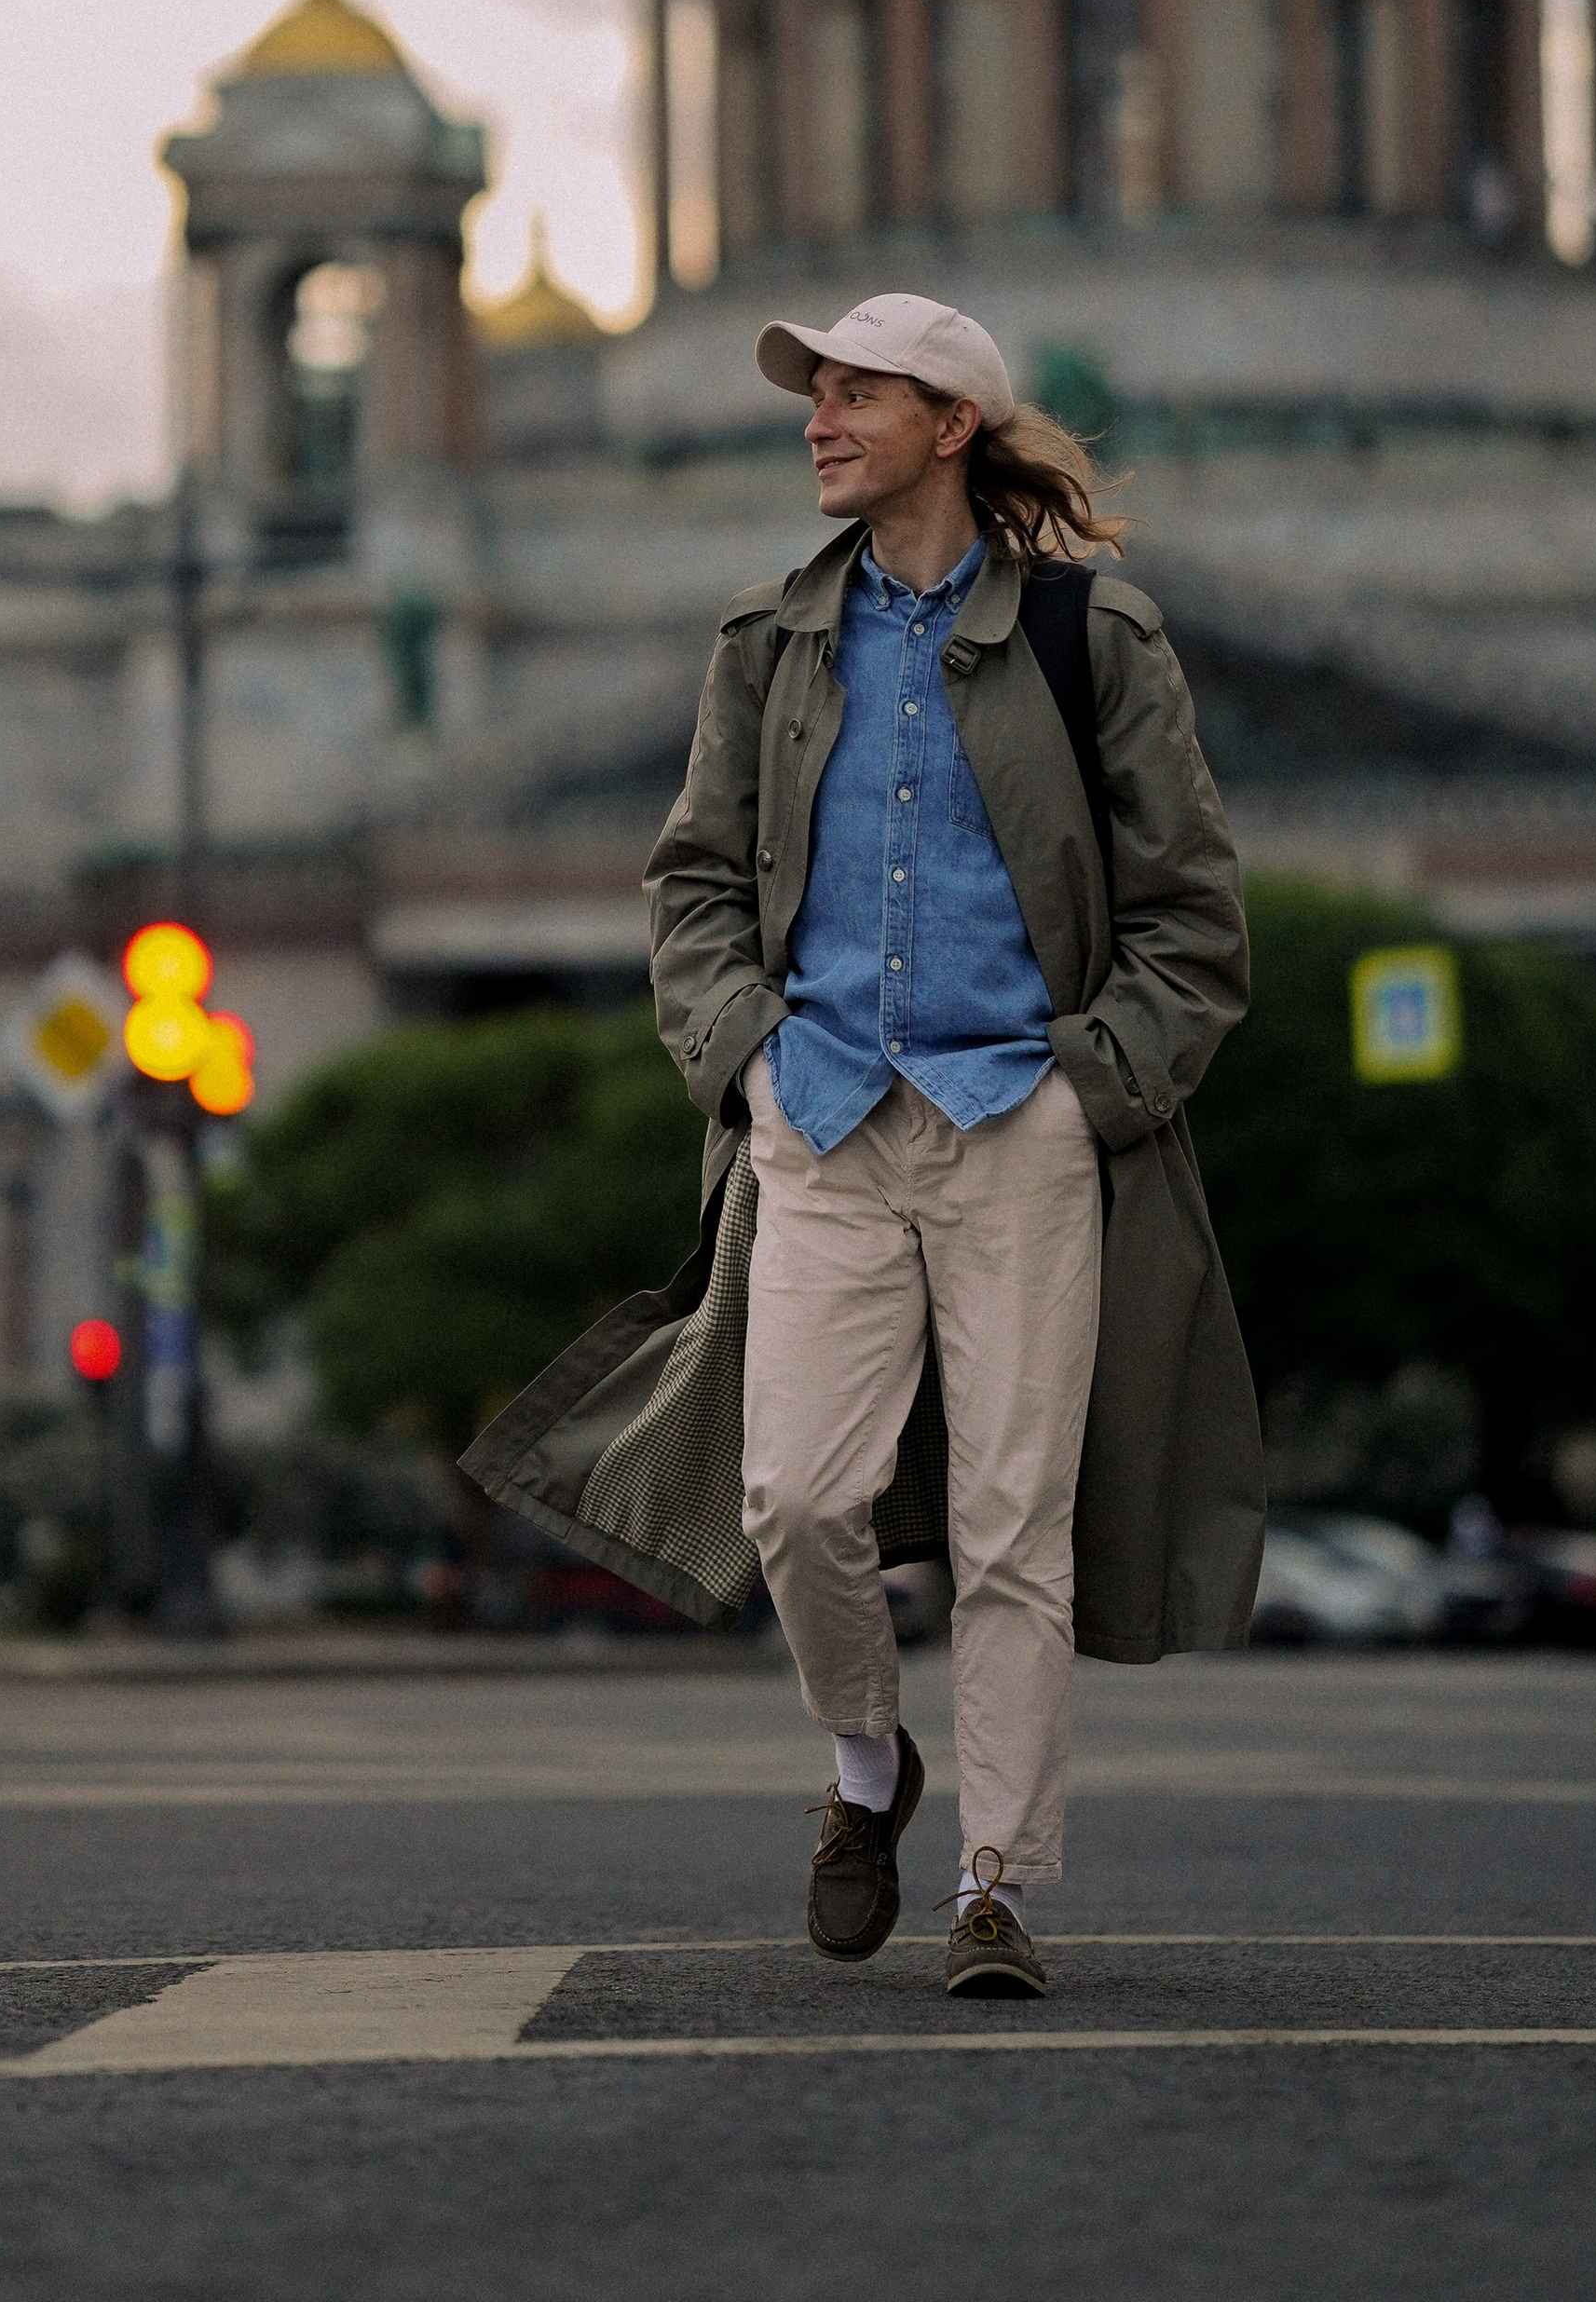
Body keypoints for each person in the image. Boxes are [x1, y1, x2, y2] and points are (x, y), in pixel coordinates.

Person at [464, 292, 1262, 1999]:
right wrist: (742, 1057)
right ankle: (868, 1768)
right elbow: (693, 882)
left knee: (1008, 1526)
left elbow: (1193, 914)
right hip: (820, 1124)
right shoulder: (769, 639)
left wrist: (1088, 1088)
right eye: (812, 393)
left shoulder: (1090, 633)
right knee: (793, 1498)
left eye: (855, 394)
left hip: (1017, 1132)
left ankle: (994, 1883)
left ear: (953, 424)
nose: (818, 419)